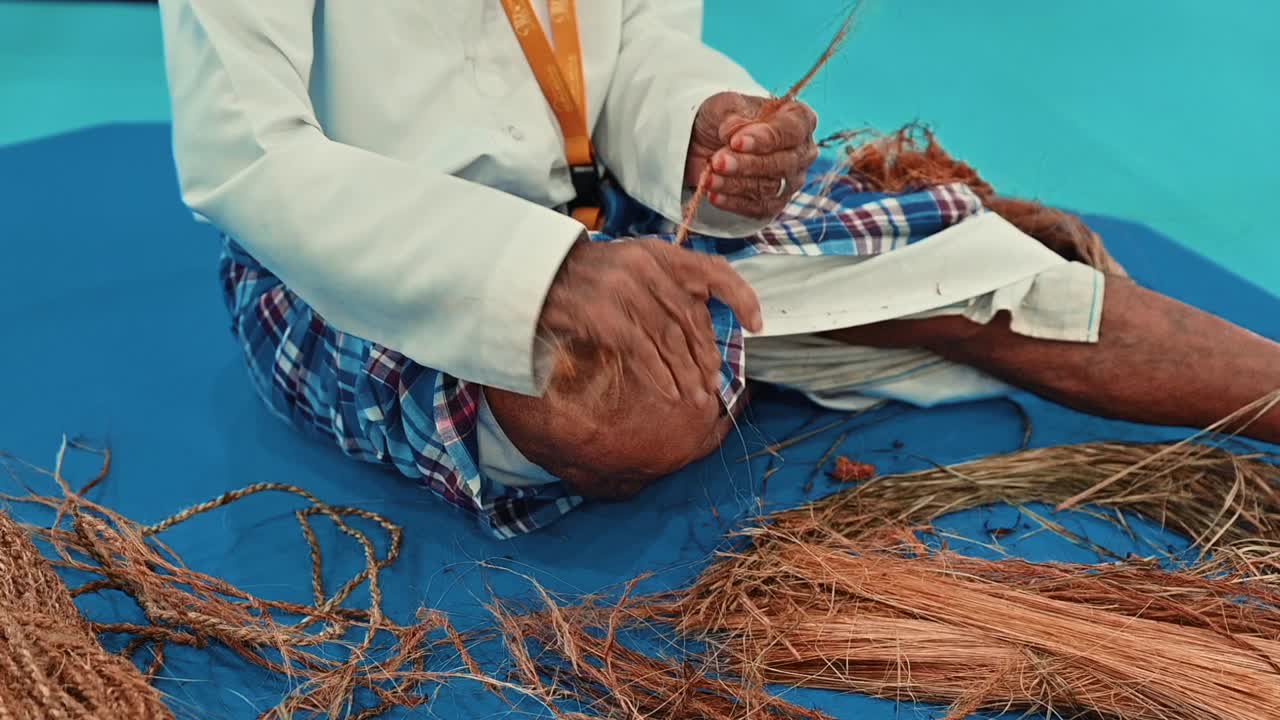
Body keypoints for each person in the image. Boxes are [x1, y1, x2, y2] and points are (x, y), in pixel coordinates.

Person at [159, 0, 1280, 538]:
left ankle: (845, 320)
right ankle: (806, 333)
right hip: (379, 257)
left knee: (983, 266)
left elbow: (638, 37)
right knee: (638, 414)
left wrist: (706, 121)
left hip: (623, 200)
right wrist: (537, 271)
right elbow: (249, 159)